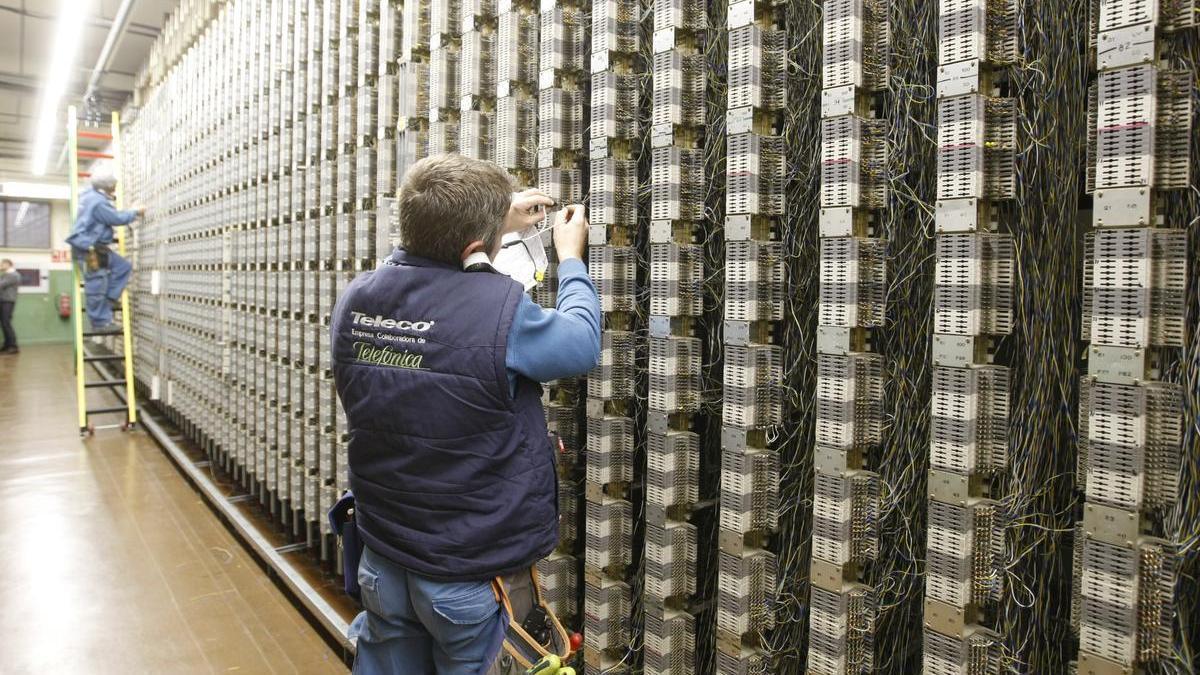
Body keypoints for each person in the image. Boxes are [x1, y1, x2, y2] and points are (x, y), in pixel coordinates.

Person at [330, 153, 600, 674]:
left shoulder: (356, 300)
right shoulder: (496, 309)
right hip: (468, 572)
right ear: (475, 248)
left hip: (384, 558)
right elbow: (580, 343)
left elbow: (417, 264)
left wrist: (489, 215)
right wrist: (571, 258)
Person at [65, 174, 144, 332]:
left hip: (97, 247)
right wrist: (135, 212)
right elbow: (115, 218)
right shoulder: (97, 202)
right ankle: (100, 323)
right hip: (88, 248)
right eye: (112, 187)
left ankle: (110, 300)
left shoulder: (88, 196)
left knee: (122, 267)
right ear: (106, 187)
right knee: (96, 282)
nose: (114, 190)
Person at [0, 258, 18, 354]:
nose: (1, 266)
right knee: (4, 323)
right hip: (3, 301)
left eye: (2, 264)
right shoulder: (6, 275)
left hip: (8, 301)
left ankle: (13, 346)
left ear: (8, 264)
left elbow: (1, 285)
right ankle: (7, 345)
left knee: (6, 323)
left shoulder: (13, 275)